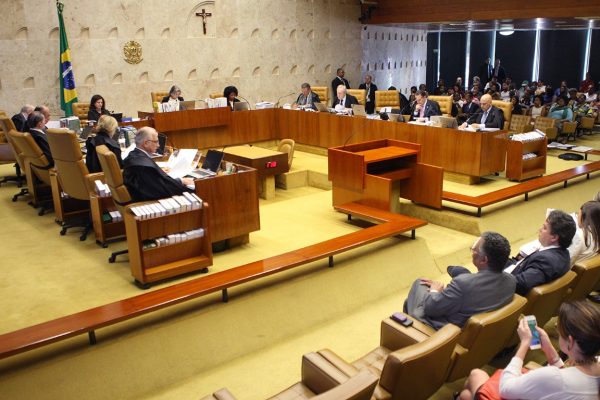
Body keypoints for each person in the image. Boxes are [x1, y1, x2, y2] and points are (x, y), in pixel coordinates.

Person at [458, 300, 600, 400]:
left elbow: (506, 388)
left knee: (476, 374)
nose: (557, 330)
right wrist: (549, 349)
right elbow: (568, 378)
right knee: (466, 396)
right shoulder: (596, 364)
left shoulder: (553, 377)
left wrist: (525, 343)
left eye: (558, 328)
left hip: (509, 388)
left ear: (570, 341)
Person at [403, 232, 516, 330]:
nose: (472, 252)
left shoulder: (463, 283)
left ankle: (407, 331)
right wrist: (446, 292)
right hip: (474, 331)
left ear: (483, 260)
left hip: (445, 331)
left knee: (419, 284)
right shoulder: (511, 280)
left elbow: (431, 309)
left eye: (474, 249)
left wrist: (434, 291)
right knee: (410, 301)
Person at [448, 210, 576, 296]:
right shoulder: (562, 254)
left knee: (459, 273)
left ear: (554, 237)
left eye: (544, 228)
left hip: (496, 292)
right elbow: (521, 266)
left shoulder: (547, 260)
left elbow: (521, 284)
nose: (540, 229)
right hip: (509, 274)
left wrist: (491, 277)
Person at [123, 127, 194, 202]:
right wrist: (181, 181)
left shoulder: (134, 155)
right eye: (156, 142)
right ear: (146, 143)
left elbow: (153, 181)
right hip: (147, 202)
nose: (158, 145)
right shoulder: (144, 167)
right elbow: (162, 190)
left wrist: (159, 171)